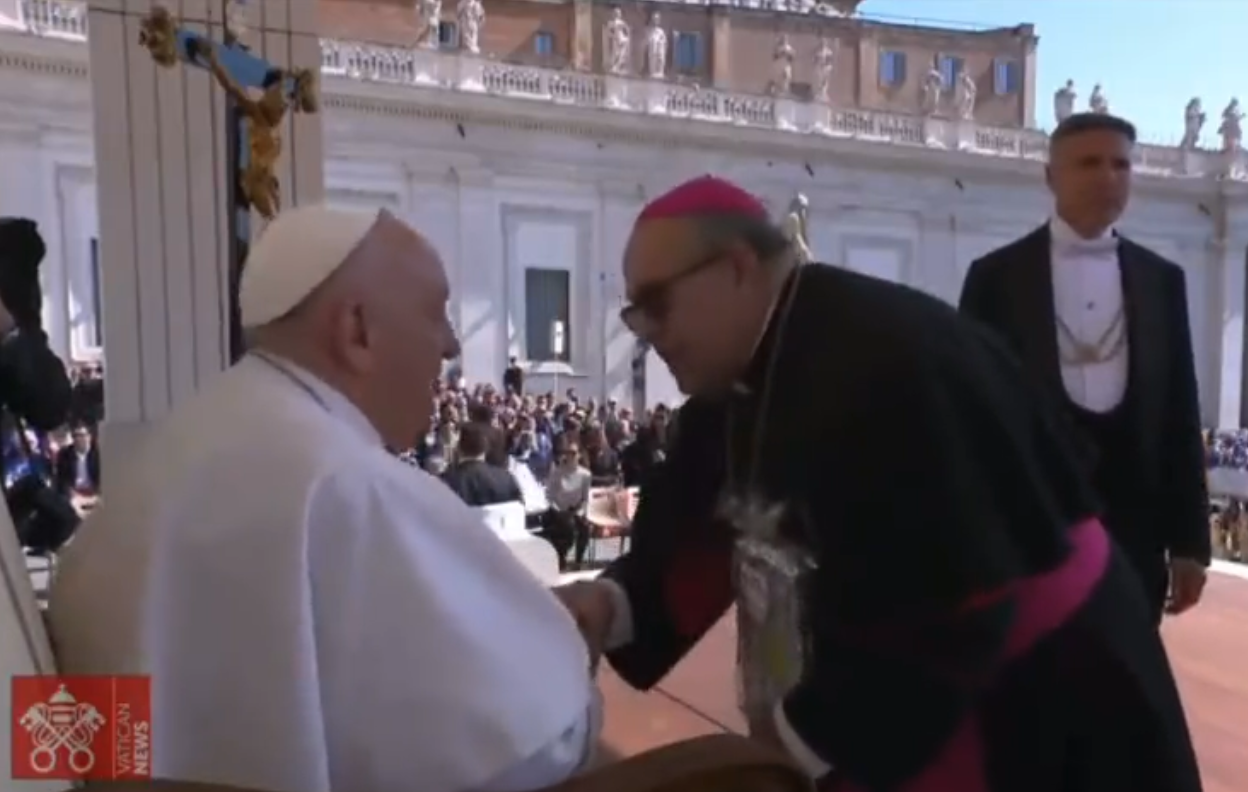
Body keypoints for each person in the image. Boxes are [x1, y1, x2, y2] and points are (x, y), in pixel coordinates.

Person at [557, 175, 1202, 791]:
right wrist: (611, 607)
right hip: (921, 689)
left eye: (656, 306)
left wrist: (795, 737)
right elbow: (700, 528)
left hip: (1036, 693)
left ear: (735, 267)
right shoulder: (745, 368)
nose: (646, 335)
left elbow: (945, 607)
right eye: (634, 314)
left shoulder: (888, 363)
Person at [49, 206, 600, 792]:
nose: (451, 344)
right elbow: (532, 748)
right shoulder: (348, 483)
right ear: (356, 330)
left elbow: (68, 738)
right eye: (435, 312)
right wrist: (576, 680)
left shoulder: (174, 443)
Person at [959, 112, 1210, 623]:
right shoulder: (994, 278)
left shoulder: (1164, 282)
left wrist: (1190, 543)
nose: (1108, 177)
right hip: (1031, 529)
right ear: (1050, 176)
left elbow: (1180, 414)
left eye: (1121, 164)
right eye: (1089, 163)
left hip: (1136, 538)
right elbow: (970, 413)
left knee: (1127, 686)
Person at [441, 420, 524, 507]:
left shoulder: (446, 480)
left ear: (458, 447)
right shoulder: (507, 478)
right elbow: (520, 509)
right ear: (486, 448)